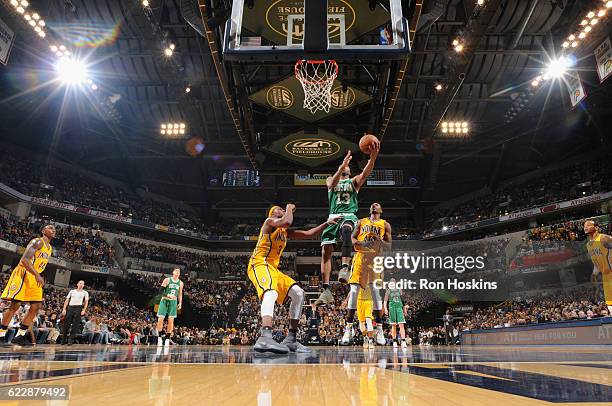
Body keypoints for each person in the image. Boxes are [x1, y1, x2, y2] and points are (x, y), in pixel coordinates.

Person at [248, 204, 336, 354]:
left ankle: (291, 339)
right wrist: (289, 208)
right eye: (278, 209)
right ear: (272, 213)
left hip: (273, 269)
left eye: (283, 208)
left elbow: (308, 234)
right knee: (271, 293)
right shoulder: (269, 222)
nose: (282, 210)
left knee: (299, 293)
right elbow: (287, 221)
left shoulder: (285, 231)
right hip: (259, 263)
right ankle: (265, 336)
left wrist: (326, 224)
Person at [316, 142, 380, 305]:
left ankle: (345, 267)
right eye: (344, 166)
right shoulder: (331, 179)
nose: (346, 168)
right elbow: (331, 184)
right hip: (332, 217)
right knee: (326, 252)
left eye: (348, 167)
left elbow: (365, 174)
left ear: (350, 171)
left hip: (349, 215)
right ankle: (326, 290)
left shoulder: (353, 182)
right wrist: (342, 166)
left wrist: (372, 158)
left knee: (346, 230)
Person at [342, 203, 391, 346]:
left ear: (381, 210)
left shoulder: (385, 224)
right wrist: (362, 243)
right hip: (360, 258)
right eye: (373, 205)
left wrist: (379, 240)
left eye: (378, 205)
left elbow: (389, 245)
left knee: (376, 293)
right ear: (370, 210)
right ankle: (348, 328)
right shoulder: (361, 221)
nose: (375, 205)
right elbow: (351, 238)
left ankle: (380, 330)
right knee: (354, 291)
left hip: (375, 260)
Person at [0, 224, 55, 347]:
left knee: (36, 306)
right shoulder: (37, 241)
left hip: (35, 275)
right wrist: (37, 275)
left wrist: (38, 275)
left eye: (54, 229)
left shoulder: (50, 248)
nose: (53, 230)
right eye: (50, 228)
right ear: (43, 231)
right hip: (24, 272)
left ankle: (20, 335)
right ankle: (1, 334)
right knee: (16, 305)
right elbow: (25, 260)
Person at [584, 220, 612, 313]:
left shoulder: (603, 238)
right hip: (605, 276)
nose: (585, 227)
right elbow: (596, 262)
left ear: (596, 228)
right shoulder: (588, 245)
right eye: (584, 226)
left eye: (588, 225)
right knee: (610, 305)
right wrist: (594, 273)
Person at [156, 268, 183, 347]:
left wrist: (180, 302)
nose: (177, 272)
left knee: (171, 320)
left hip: (173, 302)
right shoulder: (167, 280)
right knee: (160, 319)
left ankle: (167, 339)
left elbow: (180, 294)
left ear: (179, 274)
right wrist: (168, 295)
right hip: (164, 300)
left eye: (178, 272)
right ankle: (159, 338)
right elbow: (160, 291)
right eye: (176, 271)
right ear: (173, 273)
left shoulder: (181, 283)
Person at [61, 280, 89, 345]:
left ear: (83, 285)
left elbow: (86, 302)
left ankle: (70, 340)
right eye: (80, 283)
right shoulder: (72, 291)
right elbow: (67, 300)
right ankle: (63, 339)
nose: (81, 284)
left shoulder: (85, 292)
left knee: (75, 325)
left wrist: (84, 310)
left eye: (83, 284)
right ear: (77, 284)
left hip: (78, 308)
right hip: (70, 307)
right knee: (66, 324)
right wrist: (64, 309)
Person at [384, 278, 408, 349]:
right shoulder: (388, 291)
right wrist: (385, 308)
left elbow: (403, 301)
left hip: (399, 308)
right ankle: (394, 341)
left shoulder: (399, 290)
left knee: (401, 325)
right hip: (392, 309)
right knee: (393, 326)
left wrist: (405, 310)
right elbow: (385, 301)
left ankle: (403, 341)